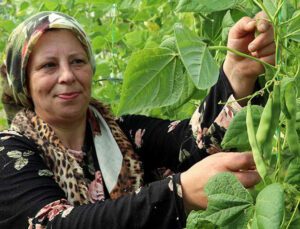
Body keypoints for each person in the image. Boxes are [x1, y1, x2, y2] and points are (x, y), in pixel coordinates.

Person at [0, 10, 274, 229]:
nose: (67, 76)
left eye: (77, 61)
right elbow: (53, 223)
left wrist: (237, 75)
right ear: (23, 81)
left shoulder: (127, 133)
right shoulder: (11, 153)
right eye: (49, 65)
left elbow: (193, 144)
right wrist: (177, 193)